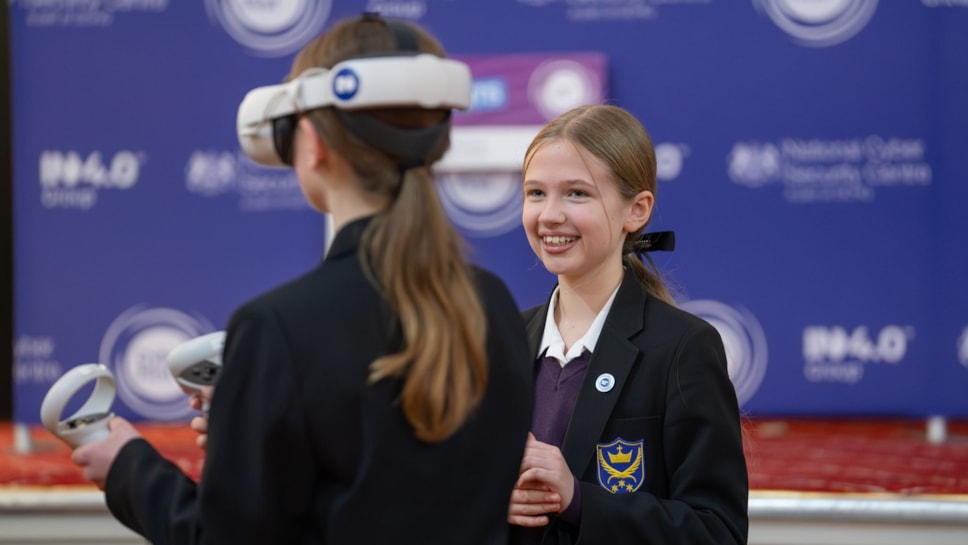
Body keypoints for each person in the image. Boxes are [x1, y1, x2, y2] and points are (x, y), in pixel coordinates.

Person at [69, 13, 533, 544]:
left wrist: (127, 469)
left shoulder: (280, 328)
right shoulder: (492, 304)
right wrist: (257, 417)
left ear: (309, 143)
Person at [506, 104, 748, 544]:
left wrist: (578, 499)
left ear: (636, 210)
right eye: (536, 193)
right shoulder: (499, 340)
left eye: (577, 193)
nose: (550, 215)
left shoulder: (683, 349)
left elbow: (717, 532)